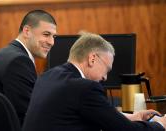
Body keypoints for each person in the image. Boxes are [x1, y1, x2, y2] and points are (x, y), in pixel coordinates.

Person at [22, 32, 166, 131]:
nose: (105, 77)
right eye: (107, 69)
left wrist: (134, 117)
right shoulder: (85, 88)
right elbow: (125, 130)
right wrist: (160, 125)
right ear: (92, 58)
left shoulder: (48, 76)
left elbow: (91, 114)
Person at [0, 10, 57, 125]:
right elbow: (31, 114)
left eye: (54, 36)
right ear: (27, 31)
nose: (52, 42)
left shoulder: (7, 54)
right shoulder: (18, 61)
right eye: (46, 34)